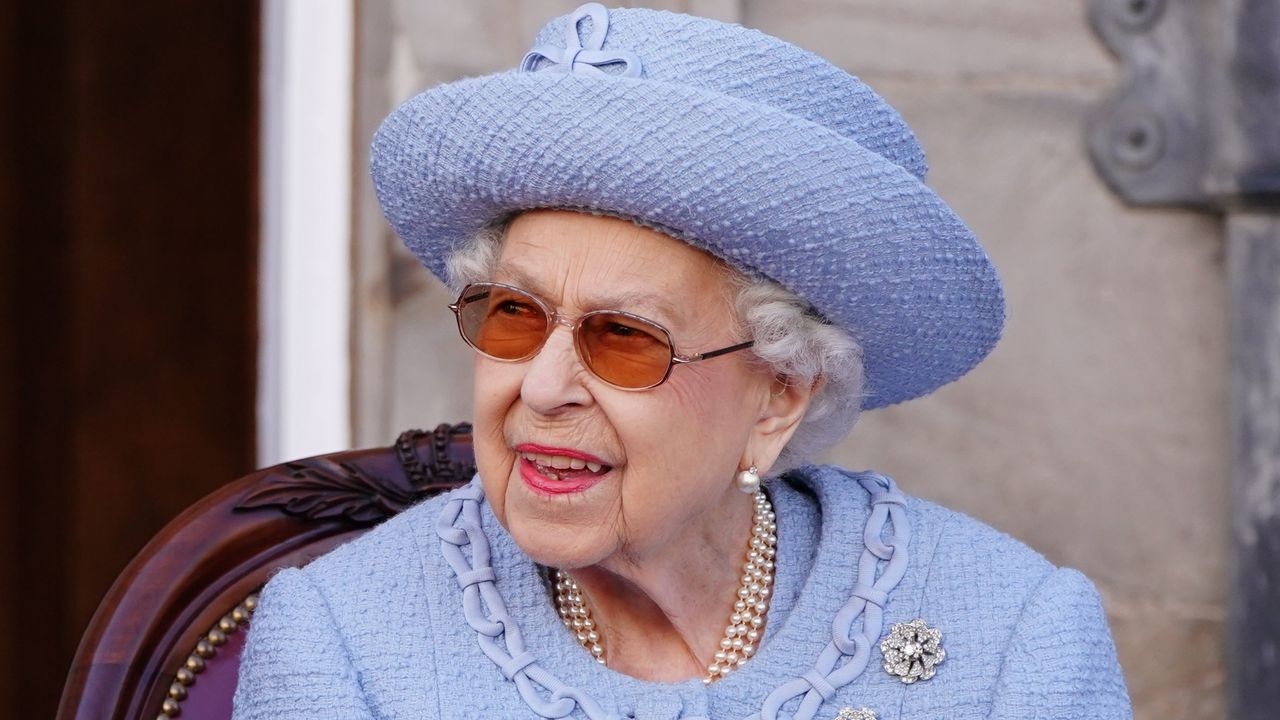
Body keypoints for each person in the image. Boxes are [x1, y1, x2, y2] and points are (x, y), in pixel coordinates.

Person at [233, 4, 1132, 719]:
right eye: (514, 315)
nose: (540, 389)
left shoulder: (1016, 637)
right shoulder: (340, 640)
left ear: (779, 395)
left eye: (623, 336)